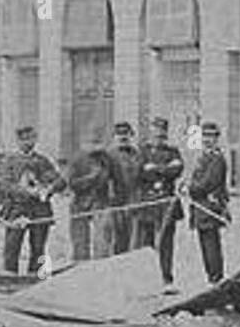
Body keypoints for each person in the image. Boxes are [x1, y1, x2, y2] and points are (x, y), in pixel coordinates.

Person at [0, 125, 66, 275]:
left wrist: (49, 189)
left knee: (39, 247)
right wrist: (27, 192)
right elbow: (4, 185)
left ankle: (36, 277)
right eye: (24, 139)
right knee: (12, 246)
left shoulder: (42, 161)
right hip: (16, 210)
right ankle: (9, 277)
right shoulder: (9, 161)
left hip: (40, 210)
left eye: (31, 138)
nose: (28, 142)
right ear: (18, 141)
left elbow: (60, 181)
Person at [137, 116, 185, 291]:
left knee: (166, 243)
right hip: (148, 203)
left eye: (162, 133)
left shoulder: (173, 152)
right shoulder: (142, 152)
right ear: (150, 133)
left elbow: (178, 169)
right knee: (147, 242)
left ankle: (166, 279)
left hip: (167, 203)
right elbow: (140, 172)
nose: (159, 136)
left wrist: (155, 169)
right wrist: (165, 170)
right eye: (156, 133)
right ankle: (147, 279)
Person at [188, 122, 230, 284]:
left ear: (217, 138)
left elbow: (208, 183)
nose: (207, 140)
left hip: (210, 208)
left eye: (211, 136)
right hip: (200, 209)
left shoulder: (217, 159)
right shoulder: (202, 157)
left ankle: (216, 278)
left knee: (211, 245)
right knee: (205, 245)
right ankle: (211, 279)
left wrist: (190, 188)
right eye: (205, 136)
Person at [67, 125, 111, 261]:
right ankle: (80, 267)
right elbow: (72, 183)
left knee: (102, 240)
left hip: (101, 203)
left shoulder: (106, 158)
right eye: (92, 142)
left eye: (98, 142)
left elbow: (113, 177)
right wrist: (91, 178)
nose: (95, 146)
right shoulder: (77, 159)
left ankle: (100, 268)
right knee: (80, 241)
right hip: (80, 204)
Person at [107, 121, 141, 255]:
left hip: (134, 202)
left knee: (134, 241)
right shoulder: (109, 156)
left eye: (126, 134)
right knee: (117, 240)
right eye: (119, 134)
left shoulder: (136, 154)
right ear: (114, 137)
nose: (123, 137)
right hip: (116, 203)